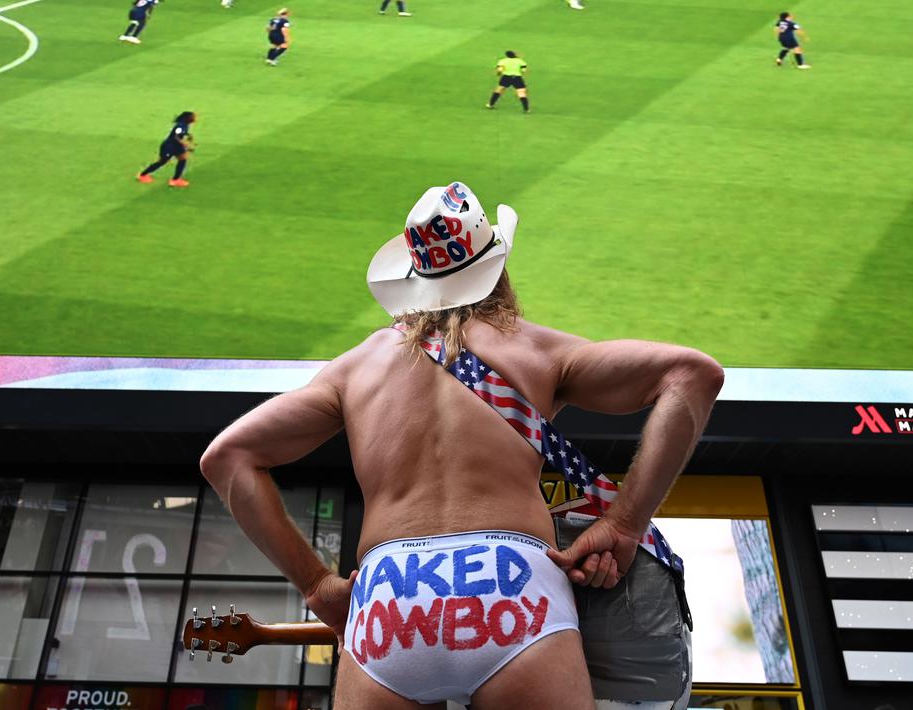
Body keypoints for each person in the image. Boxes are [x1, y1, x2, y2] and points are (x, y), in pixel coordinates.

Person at [199, 181, 723, 709]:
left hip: (389, 596)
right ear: (498, 266)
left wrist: (317, 586)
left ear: (412, 280)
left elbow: (228, 457)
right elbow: (693, 374)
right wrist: (624, 524)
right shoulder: (532, 348)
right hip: (513, 589)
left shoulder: (355, 367)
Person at [136, 111, 196, 187]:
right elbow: (176, 136)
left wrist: (188, 135)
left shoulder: (186, 125)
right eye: (194, 117)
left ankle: (175, 180)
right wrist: (186, 144)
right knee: (162, 161)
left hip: (177, 146)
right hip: (169, 146)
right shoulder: (180, 126)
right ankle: (142, 175)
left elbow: (181, 133)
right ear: (188, 118)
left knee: (183, 159)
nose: (195, 118)